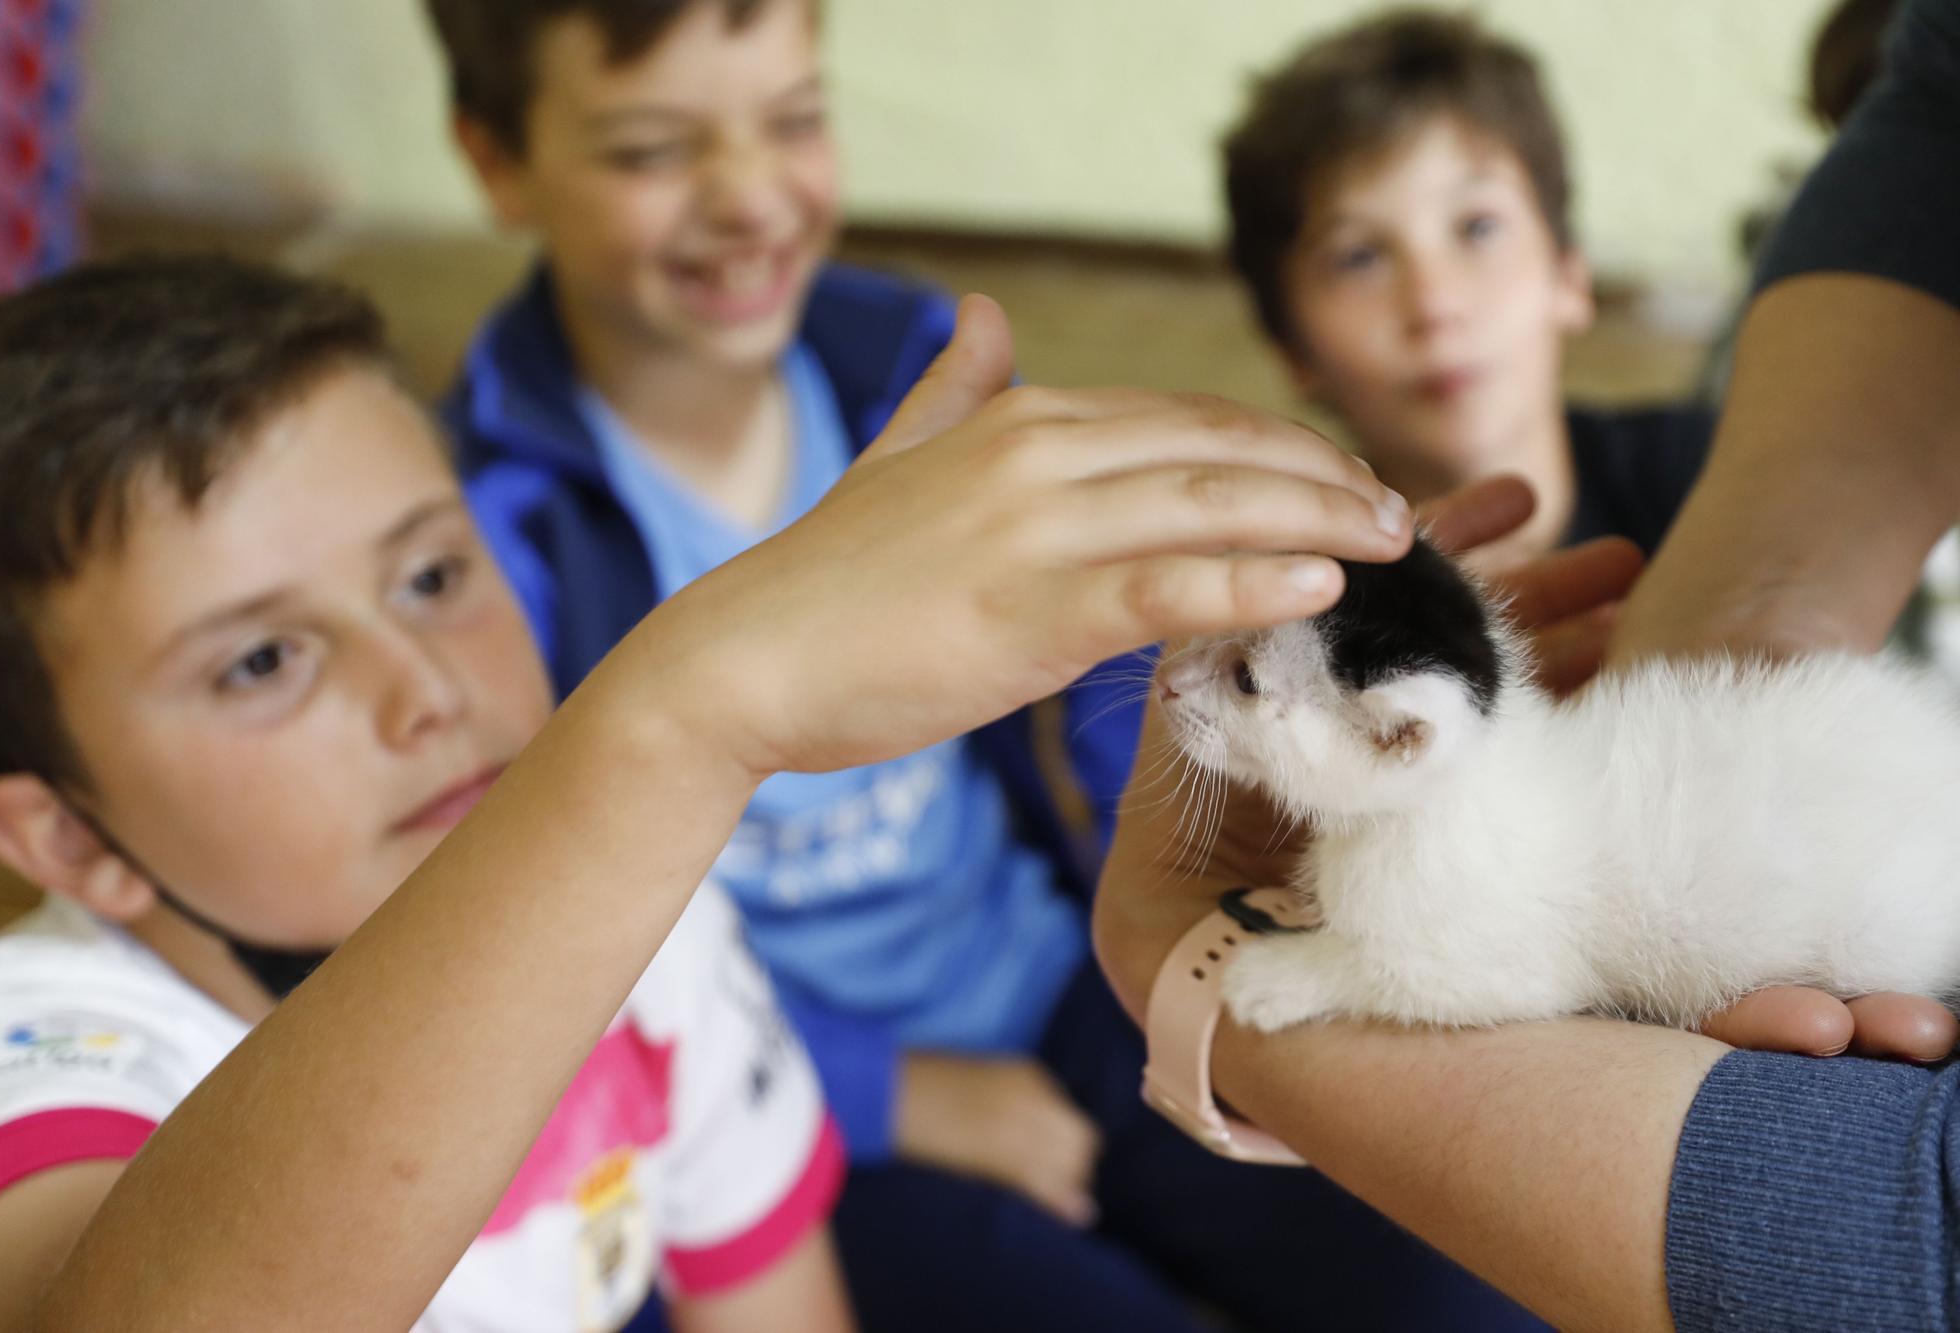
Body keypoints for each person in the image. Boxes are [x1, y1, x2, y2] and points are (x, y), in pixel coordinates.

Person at [0, 252, 1417, 1329]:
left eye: (430, 576)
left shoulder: (655, 945)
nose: (426, 687)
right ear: (65, 838)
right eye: (265, 659)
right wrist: (679, 713)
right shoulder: (26, 1067)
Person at [427, 0, 1539, 1325]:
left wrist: (1212, 838)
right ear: (495, 160)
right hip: (806, 1117)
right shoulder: (483, 534)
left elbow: (1090, 678)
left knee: (1453, 1276)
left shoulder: (912, 367)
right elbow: (531, 936)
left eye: (792, 118)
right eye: (654, 149)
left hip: (1057, 970)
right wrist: (898, 1092)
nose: (745, 196)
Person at [1093, 0, 1960, 1327]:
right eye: (1362, 253)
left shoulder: (1439, 853)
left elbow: (1475, 973)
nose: (1182, 686)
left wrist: (1240, 963)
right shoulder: (1449, 743)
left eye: (1247, 680)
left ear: (1400, 740)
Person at [1222, 9, 1712, 569]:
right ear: (1292, 348)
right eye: (1359, 257)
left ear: (1570, 274)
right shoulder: (1272, 594)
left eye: (1477, 227)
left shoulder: (1723, 473)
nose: (1434, 304)